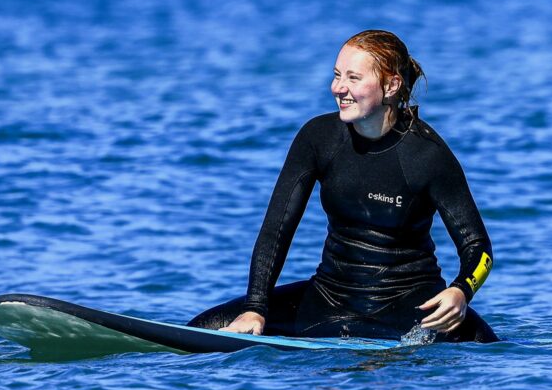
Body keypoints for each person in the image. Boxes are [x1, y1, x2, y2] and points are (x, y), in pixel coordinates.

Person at [188, 30, 497, 343]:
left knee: (484, 342)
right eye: (337, 75)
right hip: (329, 299)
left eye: (353, 78)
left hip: (410, 306)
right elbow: (276, 230)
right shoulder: (318, 138)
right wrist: (255, 308)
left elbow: (478, 248)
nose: (338, 88)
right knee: (203, 328)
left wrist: (461, 291)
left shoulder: (427, 155)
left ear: (391, 86)